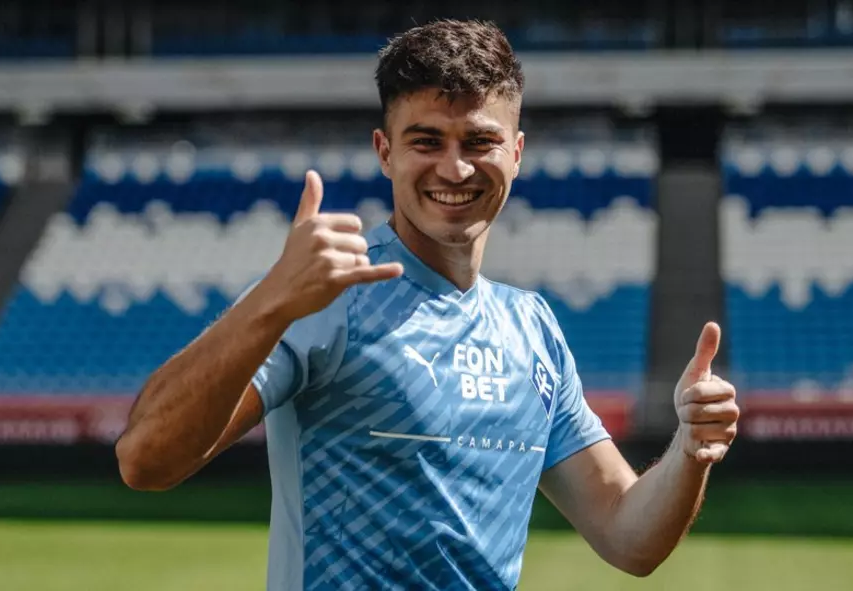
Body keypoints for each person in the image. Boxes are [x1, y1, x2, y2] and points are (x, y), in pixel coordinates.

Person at [115, 19, 740, 590]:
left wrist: (690, 450)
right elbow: (145, 460)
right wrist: (270, 302)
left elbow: (628, 536)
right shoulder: (327, 294)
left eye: (480, 140)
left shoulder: (532, 331)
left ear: (516, 153)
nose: (455, 168)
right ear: (384, 151)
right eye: (427, 141)